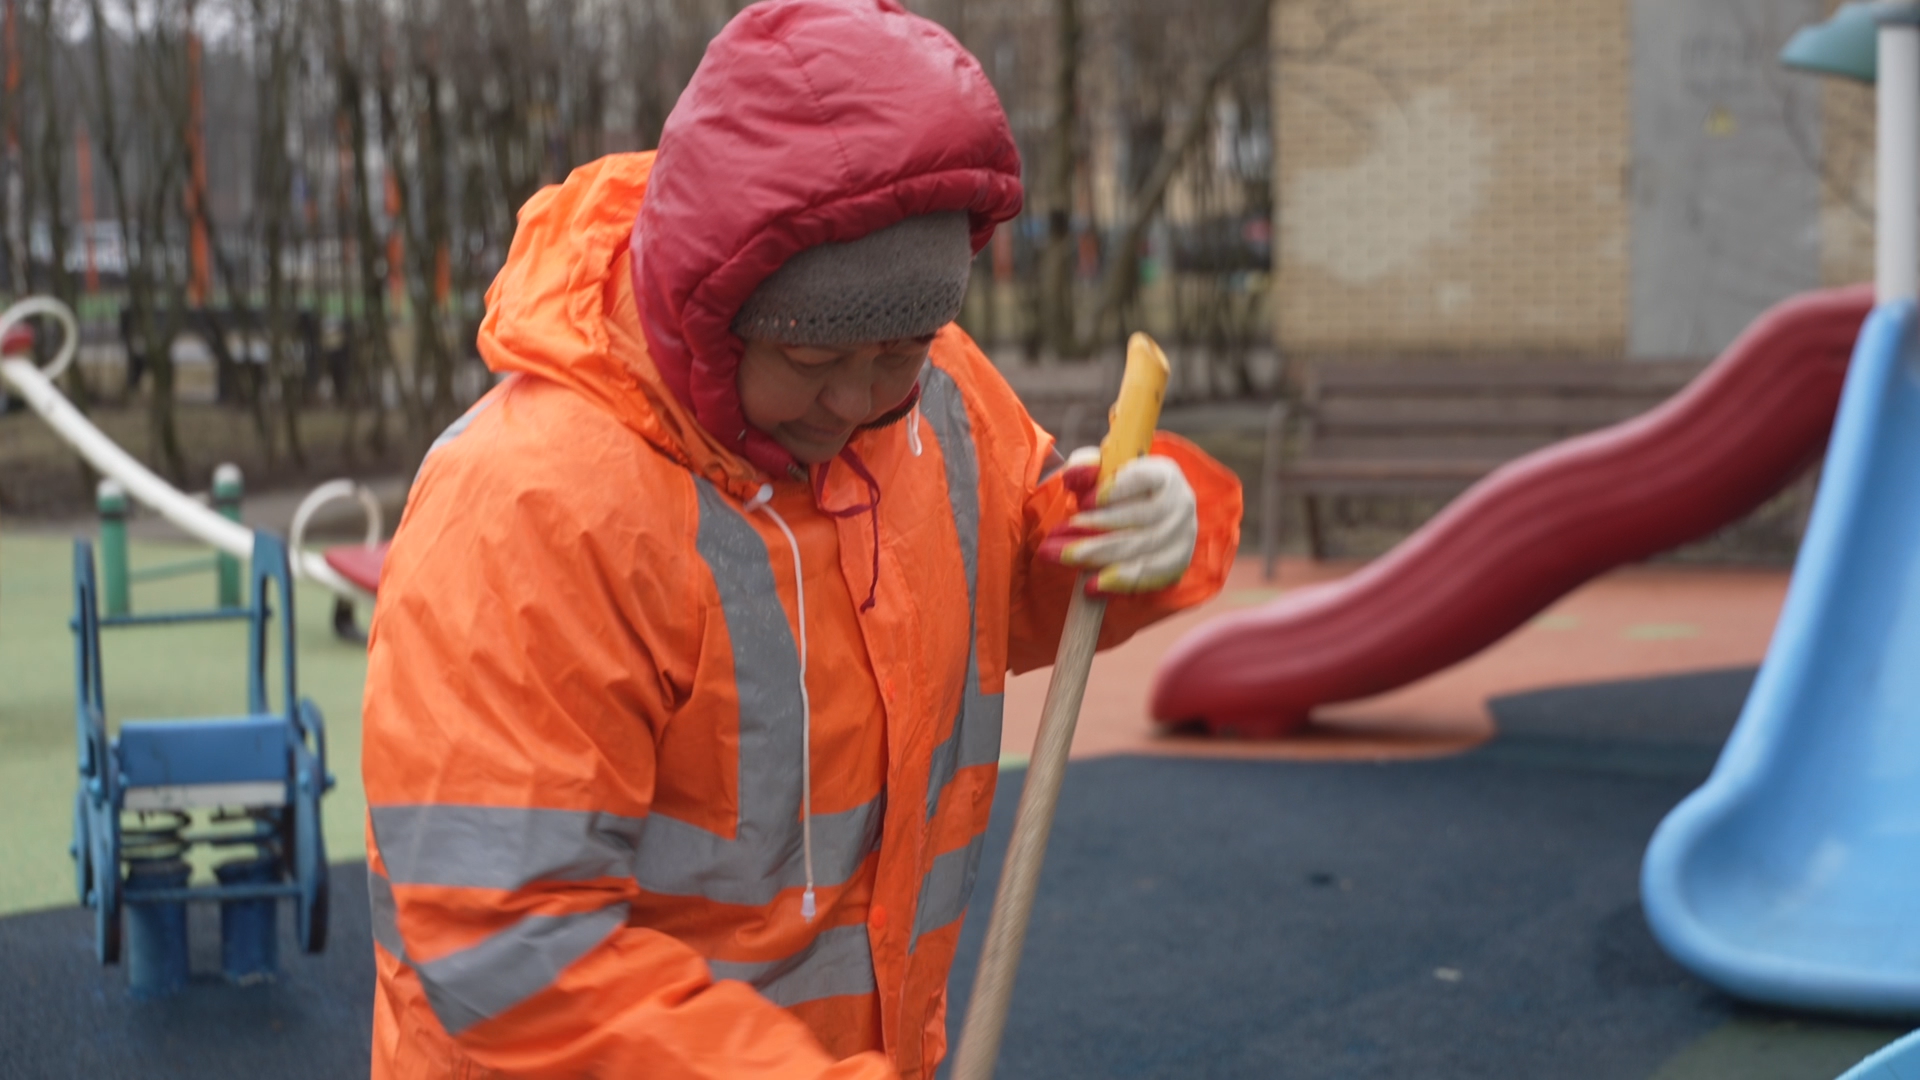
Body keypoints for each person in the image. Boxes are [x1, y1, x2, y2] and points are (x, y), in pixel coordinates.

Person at [359, 1, 1242, 1076]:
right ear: (710, 311)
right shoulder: (531, 508)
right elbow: (506, 954)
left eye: (899, 350)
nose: (860, 402)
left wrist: (1131, 531)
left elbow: (1009, 566)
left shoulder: (937, 403)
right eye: (816, 363)